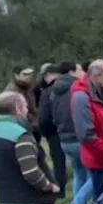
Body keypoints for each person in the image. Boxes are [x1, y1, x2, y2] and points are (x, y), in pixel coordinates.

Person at [72, 60, 103, 204]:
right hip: (99, 158)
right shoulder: (81, 98)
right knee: (101, 199)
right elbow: (86, 135)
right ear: (96, 77)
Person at [47, 62, 87, 204]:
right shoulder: (77, 89)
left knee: (79, 173)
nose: (83, 72)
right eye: (80, 69)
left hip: (64, 139)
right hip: (79, 137)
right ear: (72, 72)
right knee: (95, 175)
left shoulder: (53, 91)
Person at [35, 63, 67, 193]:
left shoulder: (46, 92)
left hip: (54, 132)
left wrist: (45, 132)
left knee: (58, 162)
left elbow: (43, 117)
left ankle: (61, 189)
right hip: (73, 130)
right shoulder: (75, 86)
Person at [5, 65, 39, 130]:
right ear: (16, 75)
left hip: (31, 123)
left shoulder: (27, 87)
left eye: (30, 74)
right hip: (20, 125)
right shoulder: (13, 90)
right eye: (25, 74)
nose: (29, 77)